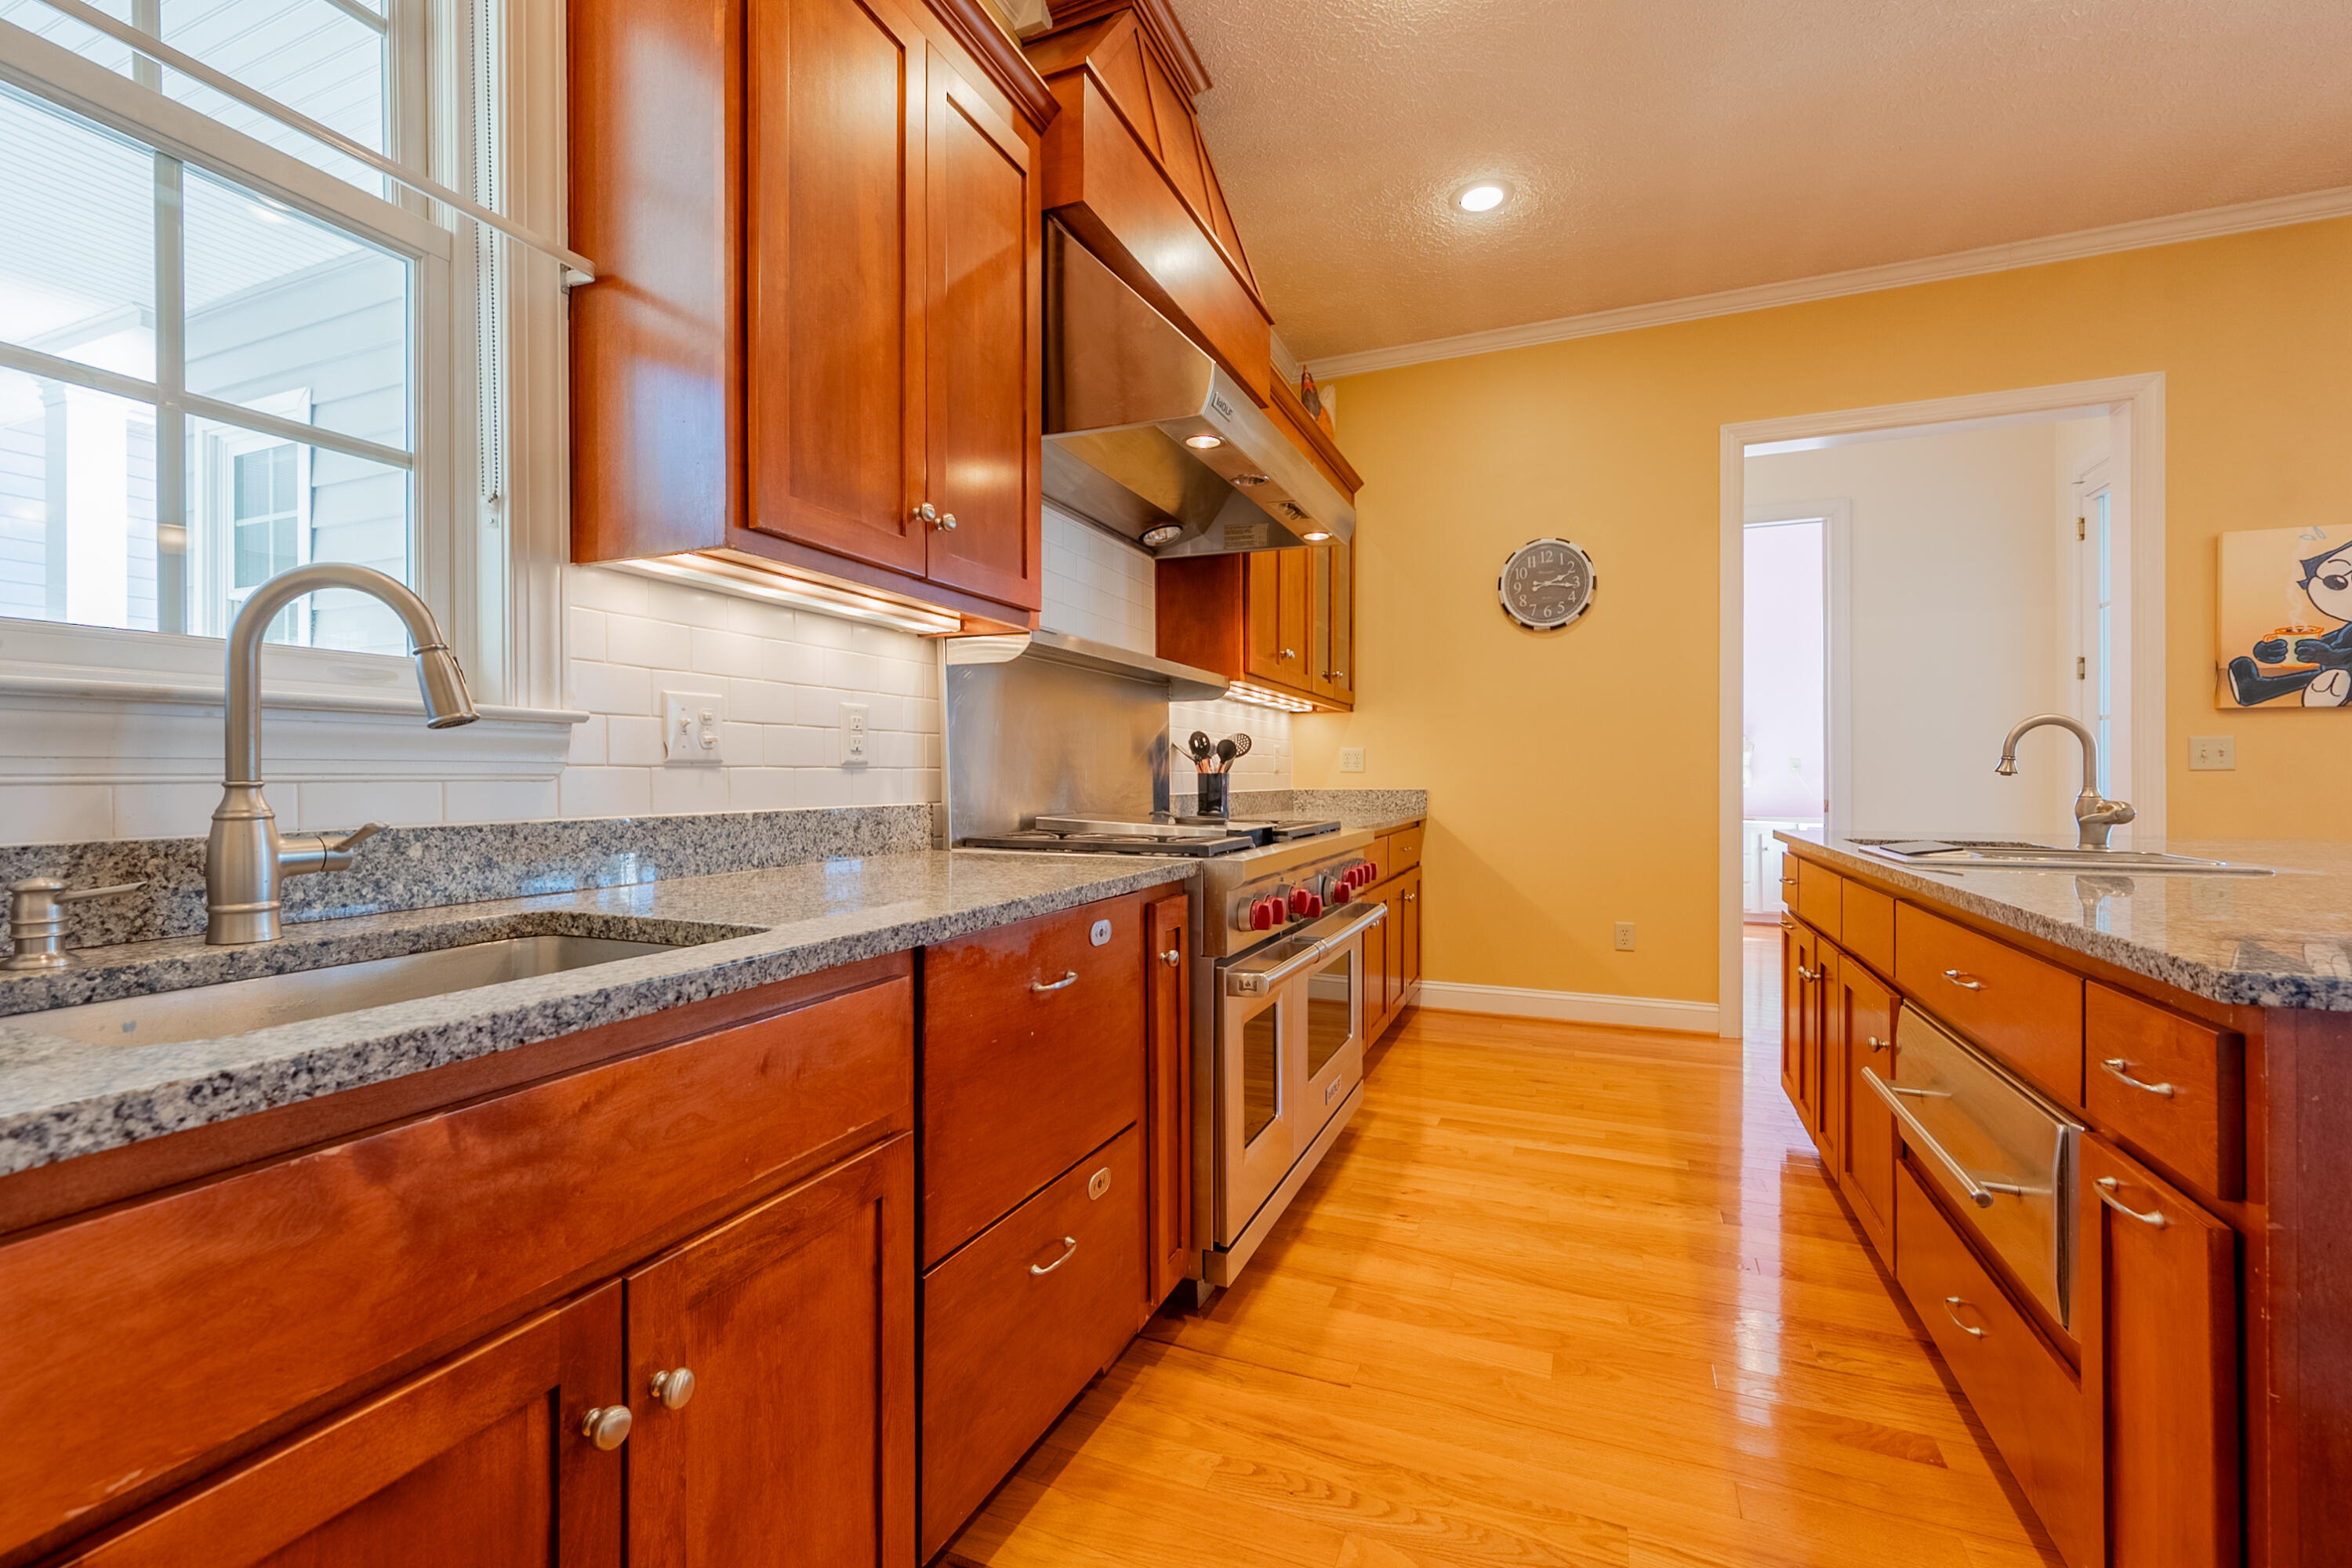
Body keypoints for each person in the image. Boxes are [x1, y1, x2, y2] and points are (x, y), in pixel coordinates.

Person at [2227, 543, 2352, 707]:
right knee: (2331, 674)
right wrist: (2272, 651)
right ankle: (2254, 689)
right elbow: (2329, 643)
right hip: (2333, 671)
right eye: (2336, 581)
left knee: (2337, 676)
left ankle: (2335, 687)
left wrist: (2333, 657)